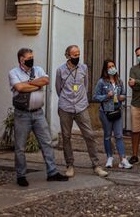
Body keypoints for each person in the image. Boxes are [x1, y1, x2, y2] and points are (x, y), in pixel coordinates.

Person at [9, 48, 69, 187]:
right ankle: (21, 175)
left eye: (32, 57)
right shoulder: (13, 72)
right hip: (22, 114)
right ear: (22, 60)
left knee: (46, 142)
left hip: (38, 113)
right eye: (29, 57)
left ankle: (52, 172)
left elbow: (46, 80)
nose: (32, 59)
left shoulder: (38, 69)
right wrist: (35, 84)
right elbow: (19, 88)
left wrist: (28, 84)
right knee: (20, 147)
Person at [55, 45, 107, 178]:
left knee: (89, 135)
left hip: (81, 107)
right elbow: (58, 89)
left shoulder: (84, 68)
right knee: (66, 137)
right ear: (67, 55)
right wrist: (67, 99)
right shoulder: (60, 70)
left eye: (78, 54)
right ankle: (70, 165)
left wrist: (81, 99)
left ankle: (96, 165)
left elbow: (85, 86)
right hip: (65, 107)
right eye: (74, 55)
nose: (77, 57)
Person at [93, 59, 132, 169]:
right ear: (106, 69)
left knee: (119, 135)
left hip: (117, 111)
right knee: (107, 136)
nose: (112, 68)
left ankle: (123, 159)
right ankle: (109, 157)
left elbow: (123, 94)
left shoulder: (119, 82)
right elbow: (95, 97)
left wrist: (122, 97)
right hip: (105, 112)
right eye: (109, 67)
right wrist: (106, 96)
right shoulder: (102, 82)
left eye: (113, 66)